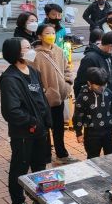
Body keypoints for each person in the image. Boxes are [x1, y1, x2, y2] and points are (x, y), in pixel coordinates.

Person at [0, 37, 52, 204]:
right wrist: (31, 122)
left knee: (40, 165)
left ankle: (42, 196)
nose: (30, 50)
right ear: (16, 52)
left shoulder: (34, 71)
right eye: (26, 48)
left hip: (41, 129)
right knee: (20, 167)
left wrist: (46, 120)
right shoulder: (9, 79)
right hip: (24, 132)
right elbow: (11, 111)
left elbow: (41, 98)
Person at [28, 23, 78, 165]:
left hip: (60, 97)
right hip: (45, 100)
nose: (51, 36)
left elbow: (67, 67)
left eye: (53, 33)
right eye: (47, 33)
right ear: (39, 36)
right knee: (45, 129)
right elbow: (33, 79)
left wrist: (67, 84)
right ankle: (46, 158)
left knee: (59, 127)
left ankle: (61, 154)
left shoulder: (58, 50)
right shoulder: (35, 55)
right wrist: (44, 93)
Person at [73, 67, 112, 159]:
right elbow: (78, 115)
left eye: (103, 85)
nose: (101, 88)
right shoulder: (83, 97)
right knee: (93, 157)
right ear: (89, 83)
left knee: (111, 155)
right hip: (92, 133)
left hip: (108, 131)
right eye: (98, 86)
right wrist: (79, 132)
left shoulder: (108, 93)